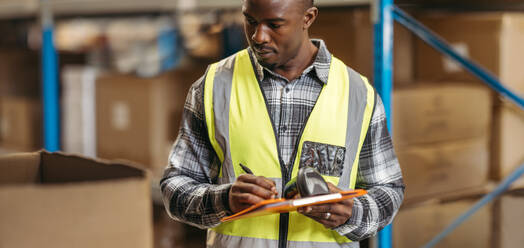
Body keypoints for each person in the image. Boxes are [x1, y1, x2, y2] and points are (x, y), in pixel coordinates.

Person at [160, 0, 405, 247]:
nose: (258, 36)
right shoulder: (213, 87)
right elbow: (175, 189)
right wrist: (224, 200)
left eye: (274, 24)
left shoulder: (358, 94)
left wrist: (352, 213)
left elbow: (388, 191)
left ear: (308, 18)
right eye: (251, 21)